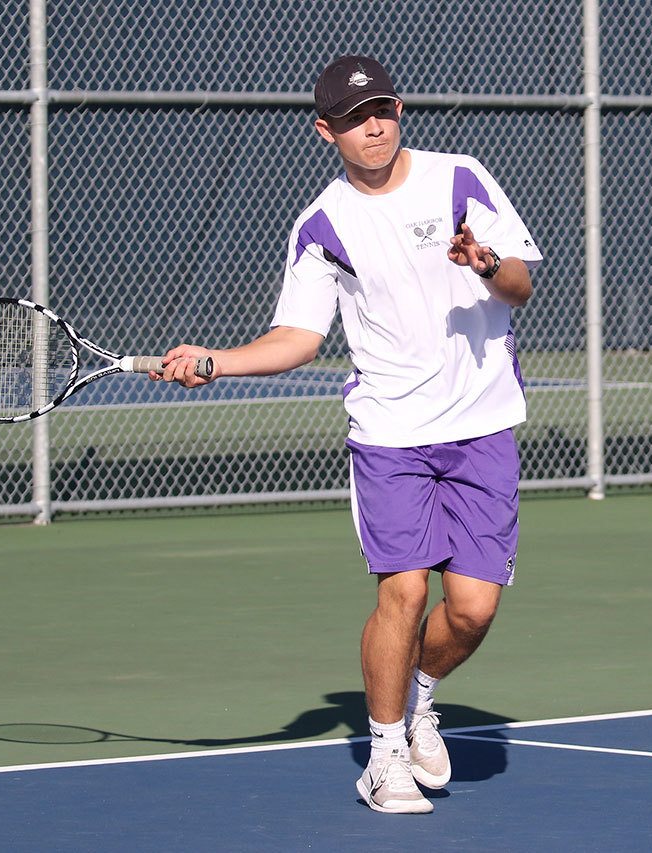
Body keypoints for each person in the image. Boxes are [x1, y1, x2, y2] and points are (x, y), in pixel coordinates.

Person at [155, 55, 542, 814]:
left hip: (483, 423)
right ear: (324, 130)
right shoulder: (322, 225)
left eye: (386, 110)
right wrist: (217, 361)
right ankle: (385, 751)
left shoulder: (461, 177)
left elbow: (522, 284)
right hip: (391, 432)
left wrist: (488, 261)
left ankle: (420, 697)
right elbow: (297, 337)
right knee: (401, 589)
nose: (376, 126)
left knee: (472, 609)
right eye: (357, 118)